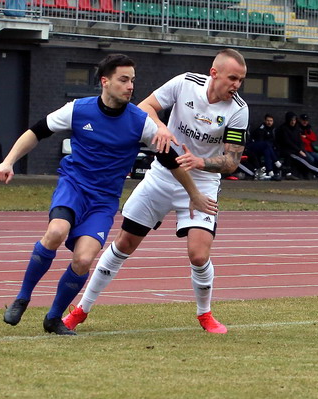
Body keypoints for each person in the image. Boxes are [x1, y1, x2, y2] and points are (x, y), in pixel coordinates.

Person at [0, 54, 217, 336]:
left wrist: (194, 194)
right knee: (56, 232)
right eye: (123, 80)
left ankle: (53, 318)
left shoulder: (140, 122)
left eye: (132, 81)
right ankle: (22, 298)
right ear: (105, 81)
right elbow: (37, 131)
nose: (130, 86)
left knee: (84, 259)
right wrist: (8, 161)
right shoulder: (78, 109)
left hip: (103, 201)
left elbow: (170, 161)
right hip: (74, 188)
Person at [63, 48, 249, 334]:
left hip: (202, 183)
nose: (237, 85)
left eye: (241, 80)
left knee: (198, 255)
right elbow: (145, 107)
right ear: (214, 73)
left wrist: (200, 162)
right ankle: (81, 309)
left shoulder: (238, 110)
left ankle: (205, 314)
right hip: (163, 175)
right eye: (233, 78)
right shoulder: (185, 83)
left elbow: (232, 161)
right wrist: (161, 127)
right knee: (124, 243)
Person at [276, 111, 318, 181]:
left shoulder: (296, 128)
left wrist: (302, 150)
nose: (293, 122)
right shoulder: (283, 129)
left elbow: (300, 140)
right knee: (303, 161)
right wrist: (299, 151)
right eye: (291, 120)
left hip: (296, 150)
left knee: (306, 159)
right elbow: (287, 142)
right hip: (288, 151)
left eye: (294, 120)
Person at [245, 113, 281, 180]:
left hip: (268, 149)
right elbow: (260, 142)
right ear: (264, 121)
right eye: (268, 120)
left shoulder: (274, 129)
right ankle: (275, 161)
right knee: (266, 145)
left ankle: (270, 171)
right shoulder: (261, 129)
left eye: (271, 121)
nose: (269, 122)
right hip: (255, 147)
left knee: (267, 150)